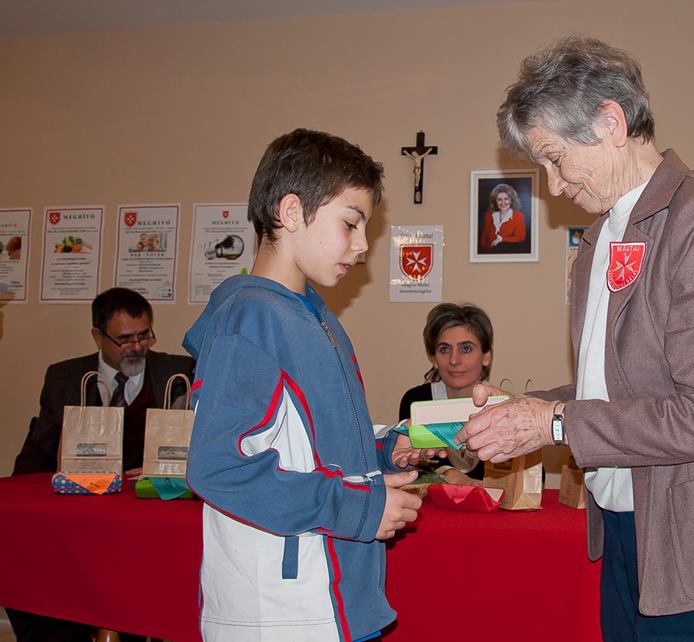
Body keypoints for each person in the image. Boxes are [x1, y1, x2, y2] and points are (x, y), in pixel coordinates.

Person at [458, 35, 694, 641]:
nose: (551, 186)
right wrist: (522, 412)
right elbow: (619, 383)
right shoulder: (602, 235)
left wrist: (554, 423)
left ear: (610, 122)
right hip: (629, 526)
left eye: (553, 157)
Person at [184, 128, 439, 642]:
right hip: (278, 612)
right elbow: (218, 469)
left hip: (335, 599)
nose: (364, 246)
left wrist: (386, 449)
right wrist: (360, 506)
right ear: (292, 212)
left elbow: (315, 441)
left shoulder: (317, 320)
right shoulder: (251, 320)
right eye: (351, 223)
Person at [9, 286, 194, 642]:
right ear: (98, 335)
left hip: (146, 523)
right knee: (38, 582)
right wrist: (19, 501)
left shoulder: (179, 373)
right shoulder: (64, 378)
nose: (137, 347)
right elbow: (38, 450)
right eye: (124, 339)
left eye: (144, 335)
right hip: (83, 519)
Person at [398, 303, 493, 482]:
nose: (454, 360)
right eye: (444, 349)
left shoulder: (503, 406)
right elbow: (405, 464)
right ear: (433, 358)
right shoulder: (416, 402)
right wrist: (446, 472)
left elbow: (535, 474)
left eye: (466, 349)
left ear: (486, 356)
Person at [480, 183, 527, 251]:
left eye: (506, 199)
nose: (503, 203)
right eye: (499, 199)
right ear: (495, 201)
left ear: (511, 200)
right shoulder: (488, 215)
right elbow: (484, 239)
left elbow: (520, 237)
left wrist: (501, 239)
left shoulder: (519, 216)